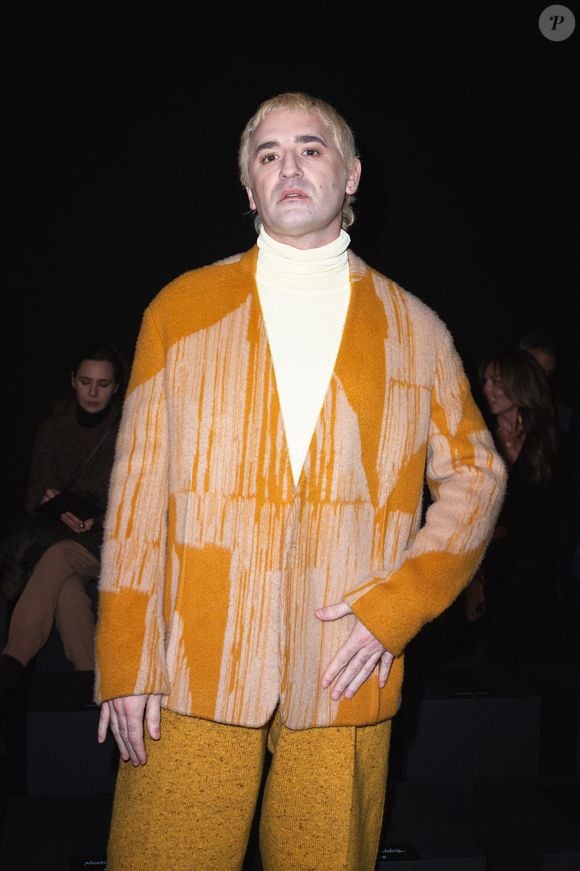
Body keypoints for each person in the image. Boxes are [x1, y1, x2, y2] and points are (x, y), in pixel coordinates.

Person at [95, 92, 506, 871]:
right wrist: (125, 656)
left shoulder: (415, 328)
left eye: (311, 148)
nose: (290, 164)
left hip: (347, 660)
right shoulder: (179, 311)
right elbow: (137, 494)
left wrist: (396, 607)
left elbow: (479, 477)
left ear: (350, 176)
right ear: (248, 187)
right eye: (268, 152)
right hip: (192, 660)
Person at [0, 340, 126, 701]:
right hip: (58, 535)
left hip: (107, 543)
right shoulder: (53, 428)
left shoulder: (127, 432)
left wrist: (97, 520)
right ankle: (91, 685)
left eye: (103, 384)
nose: (93, 391)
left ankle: (12, 661)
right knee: (68, 594)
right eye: (86, 381)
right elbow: (33, 496)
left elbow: (138, 500)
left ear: (116, 388)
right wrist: (50, 501)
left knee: (58, 557)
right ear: (73, 380)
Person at [473, 348, 564, 678]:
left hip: (532, 575)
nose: (488, 390)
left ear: (520, 384)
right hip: (485, 571)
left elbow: (549, 520)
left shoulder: (550, 443)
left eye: (497, 381)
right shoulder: (478, 437)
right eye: (485, 381)